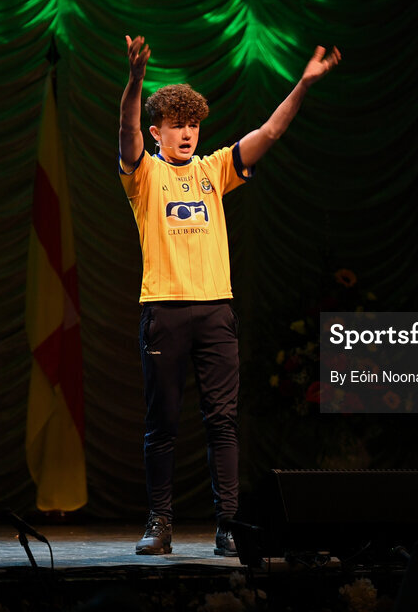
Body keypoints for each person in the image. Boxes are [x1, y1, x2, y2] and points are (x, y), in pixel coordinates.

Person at [118, 34, 341, 556]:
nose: (188, 133)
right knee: (163, 425)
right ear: (158, 133)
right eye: (177, 125)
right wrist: (134, 81)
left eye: (193, 124)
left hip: (216, 311)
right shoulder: (144, 174)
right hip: (164, 314)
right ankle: (160, 524)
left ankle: (229, 526)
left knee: (222, 423)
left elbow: (271, 131)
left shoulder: (215, 169)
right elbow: (125, 128)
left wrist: (304, 83)